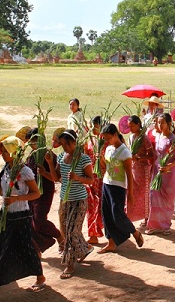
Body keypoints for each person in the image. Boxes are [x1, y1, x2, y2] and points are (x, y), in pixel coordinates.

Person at [0, 136, 45, 301]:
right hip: (6, 216)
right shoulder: (5, 169)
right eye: (2, 151)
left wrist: (16, 199)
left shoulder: (24, 171)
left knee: (23, 248)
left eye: (6, 151)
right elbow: (1, 192)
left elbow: (36, 193)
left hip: (21, 216)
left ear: (14, 152)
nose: (3, 154)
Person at [47, 129, 94, 279]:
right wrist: (49, 163)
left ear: (74, 143)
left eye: (66, 145)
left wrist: (77, 178)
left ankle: (70, 264)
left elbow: (91, 179)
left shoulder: (83, 159)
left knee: (71, 231)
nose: (64, 148)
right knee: (66, 230)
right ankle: (85, 247)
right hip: (64, 200)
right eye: (62, 145)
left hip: (79, 200)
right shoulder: (61, 157)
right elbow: (56, 177)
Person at [97, 124, 144, 253]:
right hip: (107, 184)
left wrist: (131, 193)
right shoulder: (108, 149)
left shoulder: (125, 152)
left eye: (108, 138)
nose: (106, 141)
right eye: (105, 139)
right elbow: (106, 167)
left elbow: (129, 174)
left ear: (115, 135)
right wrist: (100, 159)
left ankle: (134, 232)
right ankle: (111, 242)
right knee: (106, 214)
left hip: (118, 188)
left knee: (117, 215)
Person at [25, 128, 62, 254]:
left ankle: (59, 236)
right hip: (31, 193)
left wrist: (45, 173)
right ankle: (39, 247)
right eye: (30, 142)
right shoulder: (30, 156)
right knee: (31, 221)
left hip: (45, 191)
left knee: (39, 219)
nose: (32, 145)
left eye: (34, 141)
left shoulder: (49, 155)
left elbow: (56, 177)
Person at [147, 113, 175, 235]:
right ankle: (154, 225)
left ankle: (165, 226)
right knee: (154, 197)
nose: (160, 125)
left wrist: (169, 165)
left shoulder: (174, 139)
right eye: (158, 123)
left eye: (162, 123)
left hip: (169, 174)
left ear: (169, 124)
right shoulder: (158, 136)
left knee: (167, 200)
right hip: (157, 171)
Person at [127, 115, 155, 227]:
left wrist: (139, 158)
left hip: (143, 170)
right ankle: (135, 216)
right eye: (129, 127)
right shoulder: (130, 137)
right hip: (133, 169)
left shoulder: (144, 138)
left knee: (145, 194)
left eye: (132, 126)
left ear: (138, 124)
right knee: (134, 193)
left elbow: (151, 155)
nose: (131, 129)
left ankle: (147, 217)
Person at [85, 116, 104, 245]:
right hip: (90, 178)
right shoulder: (91, 141)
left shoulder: (104, 142)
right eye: (92, 125)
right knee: (91, 206)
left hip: (101, 179)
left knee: (99, 206)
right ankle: (93, 234)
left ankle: (99, 232)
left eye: (95, 126)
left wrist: (100, 158)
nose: (93, 128)